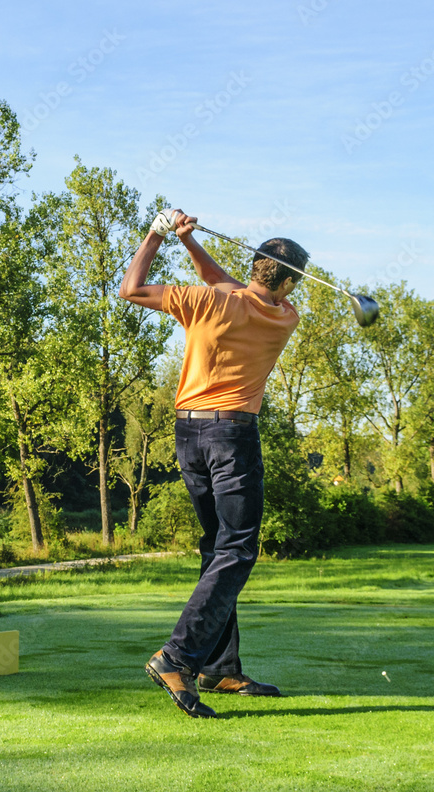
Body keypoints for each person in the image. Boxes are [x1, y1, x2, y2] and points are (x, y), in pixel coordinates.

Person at [119, 208, 308, 719]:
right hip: (233, 437)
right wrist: (186, 242)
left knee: (218, 548)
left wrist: (163, 236)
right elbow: (230, 286)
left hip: (188, 432)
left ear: (255, 267)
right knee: (239, 549)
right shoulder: (284, 316)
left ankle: (220, 668)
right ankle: (177, 657)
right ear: (287, 282)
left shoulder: (207, 299)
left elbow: (131, 289)